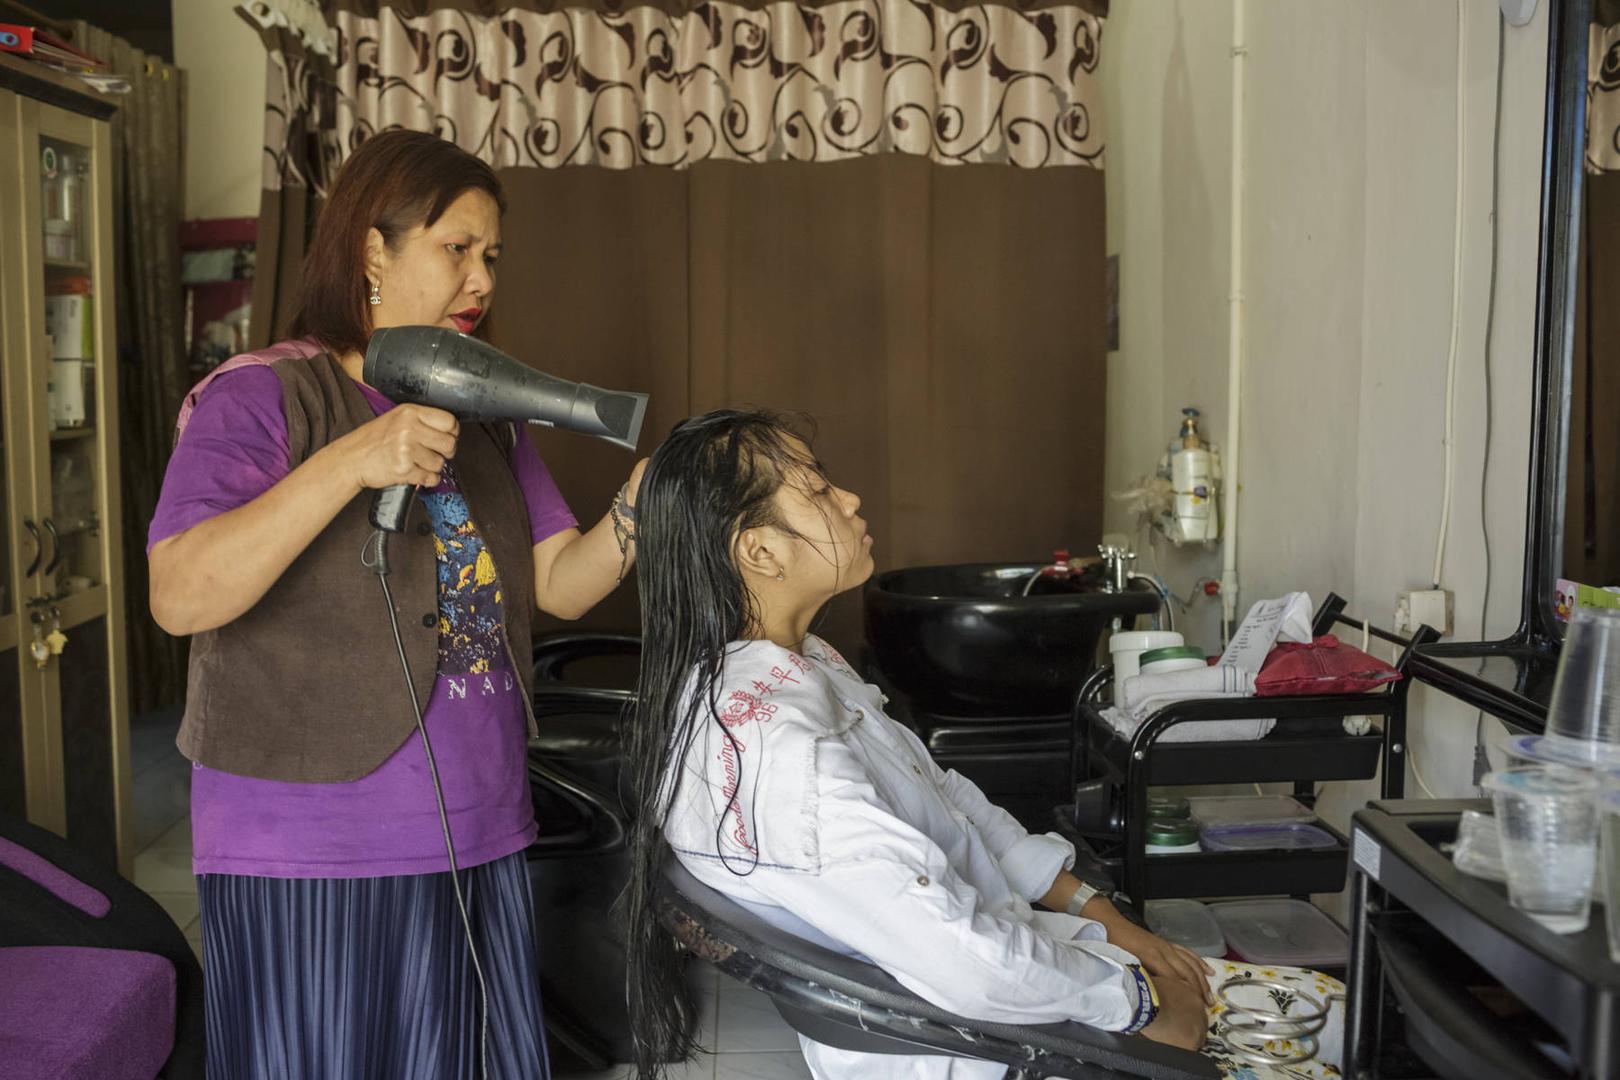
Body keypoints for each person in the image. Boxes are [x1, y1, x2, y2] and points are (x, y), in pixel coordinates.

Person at [624, 410, 1345, 1080]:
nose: (848, 499)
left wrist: (1101, 915)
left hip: (1026, 984)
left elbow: (949, 804)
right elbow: (967, 962)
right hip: (987, 1045)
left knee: (1339, 1011)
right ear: (759, 551)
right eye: (816, 490)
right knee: (1342, 1023)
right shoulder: (784, 755)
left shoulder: (794, 668)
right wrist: (1138, 1005)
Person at [147, 129, 643, 1079]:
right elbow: (180, 593)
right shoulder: (262, 397)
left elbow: (557, 581)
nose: (481, 278)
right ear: (374, 250)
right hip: (310, 841)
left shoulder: (485, 411)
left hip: (477, 818)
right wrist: (352, 461)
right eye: (457, 248)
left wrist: (644, 509)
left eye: (492, 254)